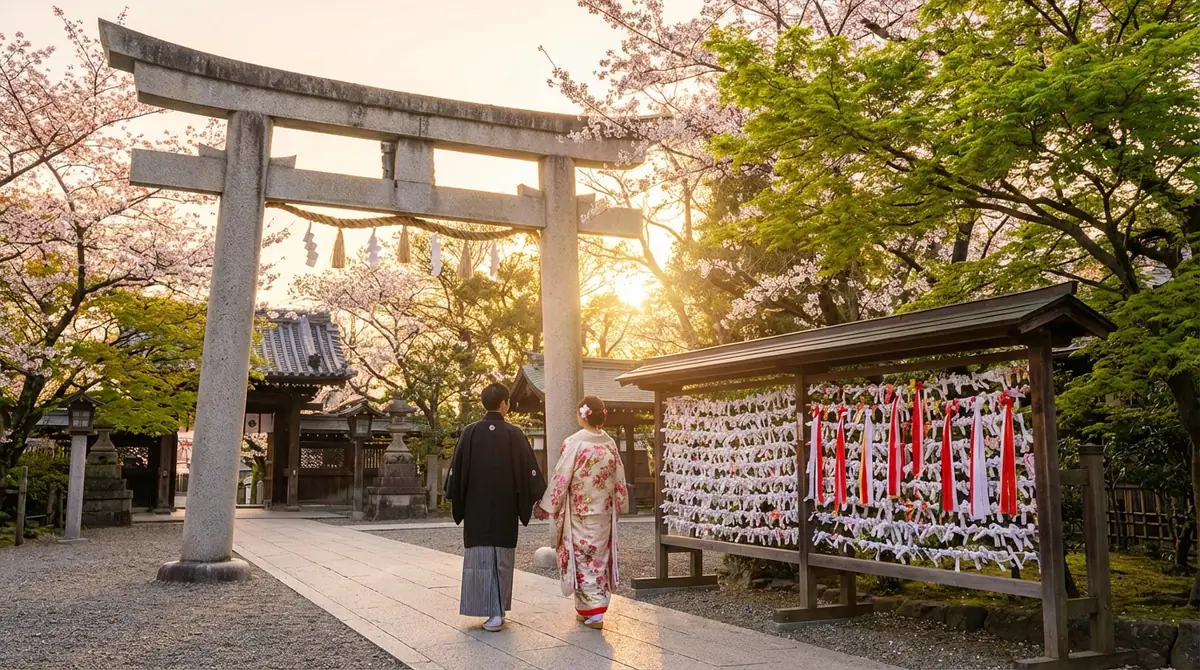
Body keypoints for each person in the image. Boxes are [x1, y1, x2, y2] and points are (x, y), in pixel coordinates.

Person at [444, 383, 546, 632]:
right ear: (504, 404)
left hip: (476, 509)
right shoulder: (513, 433)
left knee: (479, 557)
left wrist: (458, 498)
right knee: (501, 559)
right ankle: (497, 612)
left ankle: (490, 610)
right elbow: (530, 472)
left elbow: (456, 473)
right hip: (505, 509)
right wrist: (537, 498)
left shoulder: (469, 433)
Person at [534, 395, 627, 630]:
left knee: (583, 559)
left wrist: (547, 506)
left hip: (579, 511)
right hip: (603, 511)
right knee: (599, 558)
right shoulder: (609, 444)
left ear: (582, 416)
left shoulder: (574, 442)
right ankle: (591, 609)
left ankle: (594, 613)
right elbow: (619, 477)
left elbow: (561, 477)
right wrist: (620, 502)